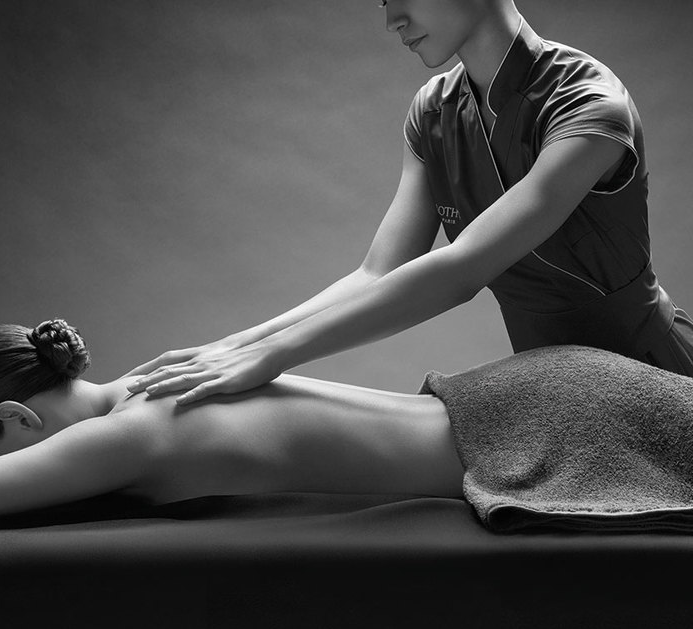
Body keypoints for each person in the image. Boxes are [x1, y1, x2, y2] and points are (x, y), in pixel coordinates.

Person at [124, 0, 693, 406]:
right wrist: (232, 345)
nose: (391, 19)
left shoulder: (588, 104)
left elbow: (463, 268)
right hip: (551, 390)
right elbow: (378, 273)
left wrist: (274, 356)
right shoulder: (434, 111)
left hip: (655, 378)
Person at [0, 318, 693, 535]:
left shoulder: (122, 437)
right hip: (536, 393)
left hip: (552, 434)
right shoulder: (150, 383)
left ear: (17, 415)